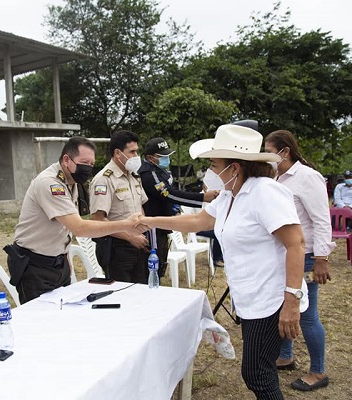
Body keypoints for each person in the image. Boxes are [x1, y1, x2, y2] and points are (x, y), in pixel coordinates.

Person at [139, 124, 306, 400]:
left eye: (215, 165)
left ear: (235, 168)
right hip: (251, 296)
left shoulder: (265, 192)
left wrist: (292, 301)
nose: (211, 172)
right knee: (259, 371)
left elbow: (296, 243)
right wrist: (150, 221)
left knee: (257, 374)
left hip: (273, 297)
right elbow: (198, 221)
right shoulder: (230, 195)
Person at [7, 136, 146, 303]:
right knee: (41, 321)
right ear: (67, 160)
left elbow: (62, 227)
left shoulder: (71, 182)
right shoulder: (50, 183)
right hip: (35, 266)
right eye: (84, 162)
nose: (87, 168)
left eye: (91, 165)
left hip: (57, 263)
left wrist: (65, 257)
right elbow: (78, 228)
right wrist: (127, 225)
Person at [265, 130, 336, 392]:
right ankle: (286, 356)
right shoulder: (276, 177)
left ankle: (318, 371)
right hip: (284, 255)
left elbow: (321, 220)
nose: (266, 156)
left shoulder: (307, 177)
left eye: (269, 152)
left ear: (285, 151)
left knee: (306, 314)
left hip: (305, 255)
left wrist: (321, 258)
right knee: (284, 306)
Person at [138, 137, 219, 277]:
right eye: (162, 156)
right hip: (152, 226)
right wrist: (202, 197)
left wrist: (175, 210)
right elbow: (169, 194)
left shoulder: (160, 170)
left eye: (168, 155)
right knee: (152, 267)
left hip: (163, 223)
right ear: (150, 158)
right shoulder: (149, 174)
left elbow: (172, 195)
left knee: (161, 264)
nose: (166, 159)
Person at [89, 130, 150, 283]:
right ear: (117, 153)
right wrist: (130, 237)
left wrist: (142, 232)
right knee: (122, 296)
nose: (136, 156)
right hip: (117, 247)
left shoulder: (134, 176)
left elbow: (140, 206)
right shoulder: (104, 180)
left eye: (137, 151)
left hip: (138, 244)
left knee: (140, 293)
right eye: (132, 152)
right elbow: (97, 219)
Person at [333, 170, 352, 242]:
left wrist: (350, 206)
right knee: (333, 212)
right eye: (346, 178)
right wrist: (344, 206)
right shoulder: (339, 187)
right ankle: (334, 230)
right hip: (341, 206)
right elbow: (337, 199)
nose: (348, 179)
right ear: (344, 179)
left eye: (350, 177)